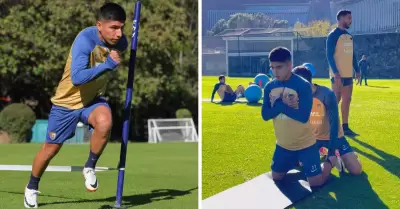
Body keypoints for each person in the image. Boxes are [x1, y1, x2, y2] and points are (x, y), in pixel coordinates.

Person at [23, 3, 128, 208]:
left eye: (122, 27)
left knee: (105, 122)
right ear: (99, 25)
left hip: (91, 100)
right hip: (66, 103)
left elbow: (123, 45)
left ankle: (89, 166)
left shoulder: (119, 39)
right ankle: (32, 187)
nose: (118, 33)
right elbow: (78, 78)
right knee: (50, 150)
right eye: (113, 28)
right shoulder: (85, 40)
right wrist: (108, 65)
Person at [261, 47, 336, 188]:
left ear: (289, 65)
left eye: (279, 67)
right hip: (283, 145)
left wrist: (279, 107)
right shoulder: (270, 87)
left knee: (315, 183)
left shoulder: (303, 85)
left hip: (305, 145)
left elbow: (302, 116)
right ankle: (295, 163)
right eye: (272, 67)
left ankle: (331, 161)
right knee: (276, 177)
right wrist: (281, 106)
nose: (275, 72)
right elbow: (265, 115)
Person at [293, 66, 362, 175]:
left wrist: (332, 151)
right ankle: (320, 151)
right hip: (313, 138)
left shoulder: (326, 94)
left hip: (334, 137)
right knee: (297, 162)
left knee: (356, 170)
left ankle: (341, 154)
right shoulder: (296, 97)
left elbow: (334, 123)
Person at [326, 9, 360, 136]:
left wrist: (357, 70)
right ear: (340, 19)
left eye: (350, 18)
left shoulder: (349, 37)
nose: (350, 20)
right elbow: (329, 55)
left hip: (348, 75)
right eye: (348, 18)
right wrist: (335, 72)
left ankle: (345, 127)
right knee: (336, 99)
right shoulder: (333, 35)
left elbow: (353, 55)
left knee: (347, 99)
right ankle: (330, 125)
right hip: (337, 75)